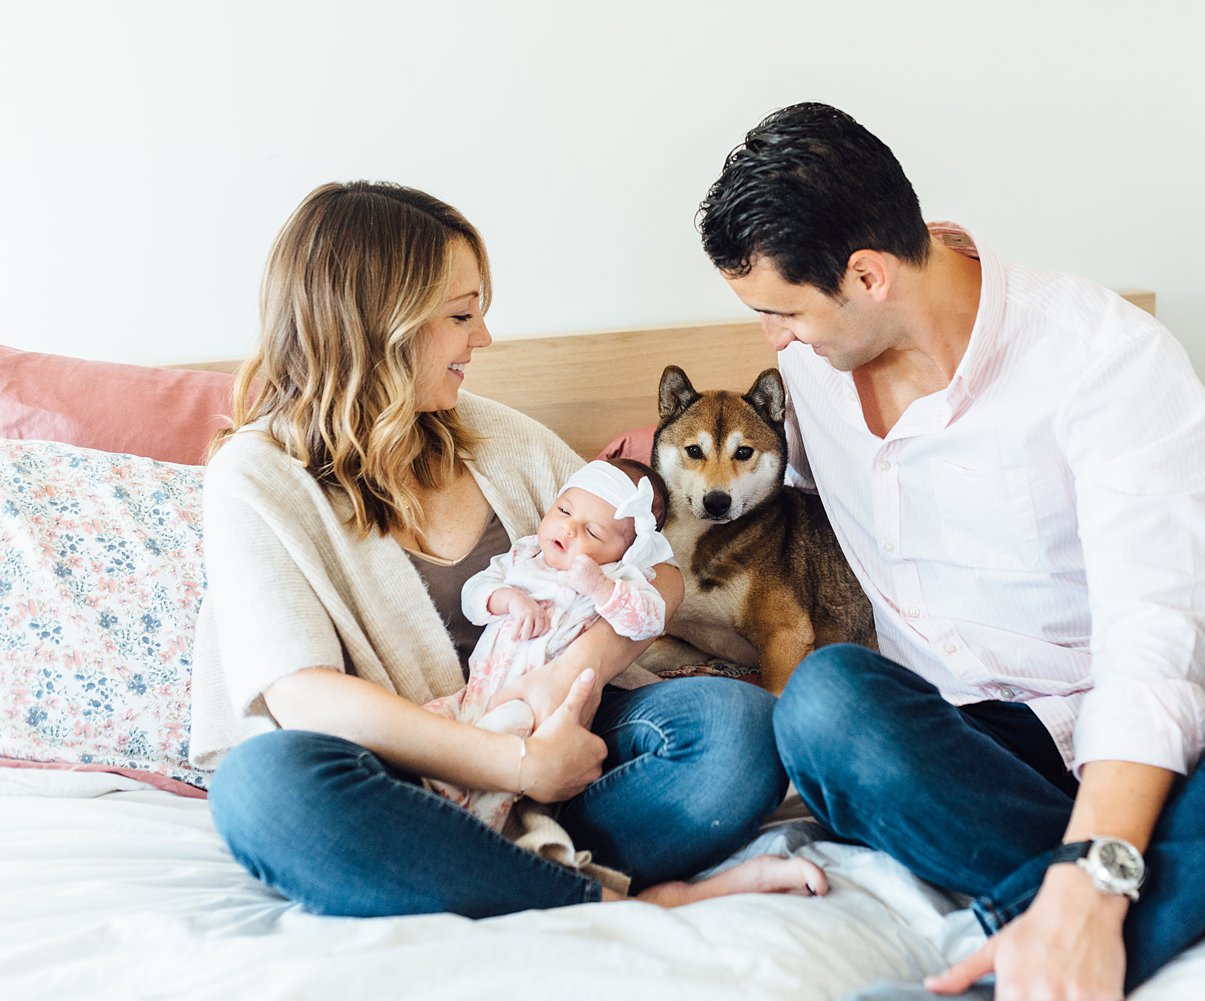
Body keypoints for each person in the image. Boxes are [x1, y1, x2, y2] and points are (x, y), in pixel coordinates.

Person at [696, 103, 1205, 1000]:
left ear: (867, 275)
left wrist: (1096, 872)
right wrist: (615, 501)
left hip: (1156, 706)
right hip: (977, 732)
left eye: (780, 312)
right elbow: (749, 495)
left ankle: (1071, 923)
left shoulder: (1104, 360)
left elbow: (1155, 638)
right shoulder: (814, 374)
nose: (773, 339)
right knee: (824, 706)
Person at [189, 180, 825, 917]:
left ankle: (503, 874)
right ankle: (615, 897)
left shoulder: (498, 436)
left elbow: (654, 569)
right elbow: (304, 695)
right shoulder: (255, 475)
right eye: (462, 314)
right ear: (380, 326)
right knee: (264, 788)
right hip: (398, 789)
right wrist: (516, 761)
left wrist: (569, 680)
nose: (483, 337)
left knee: (739, 729)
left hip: (568, 753)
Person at [422, 457, 675, 833]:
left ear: (627, 552)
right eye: (564, 509)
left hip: (539, 711)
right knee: (427, 725)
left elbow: (647, 621)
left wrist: (602, 589)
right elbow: (473, 595)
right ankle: (416, 788)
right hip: (478, 689)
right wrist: (506, 599)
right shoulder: (523, 555)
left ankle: (470, 822)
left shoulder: (620, 577)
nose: (569, 529)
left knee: (499, 749)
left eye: (592, 532)